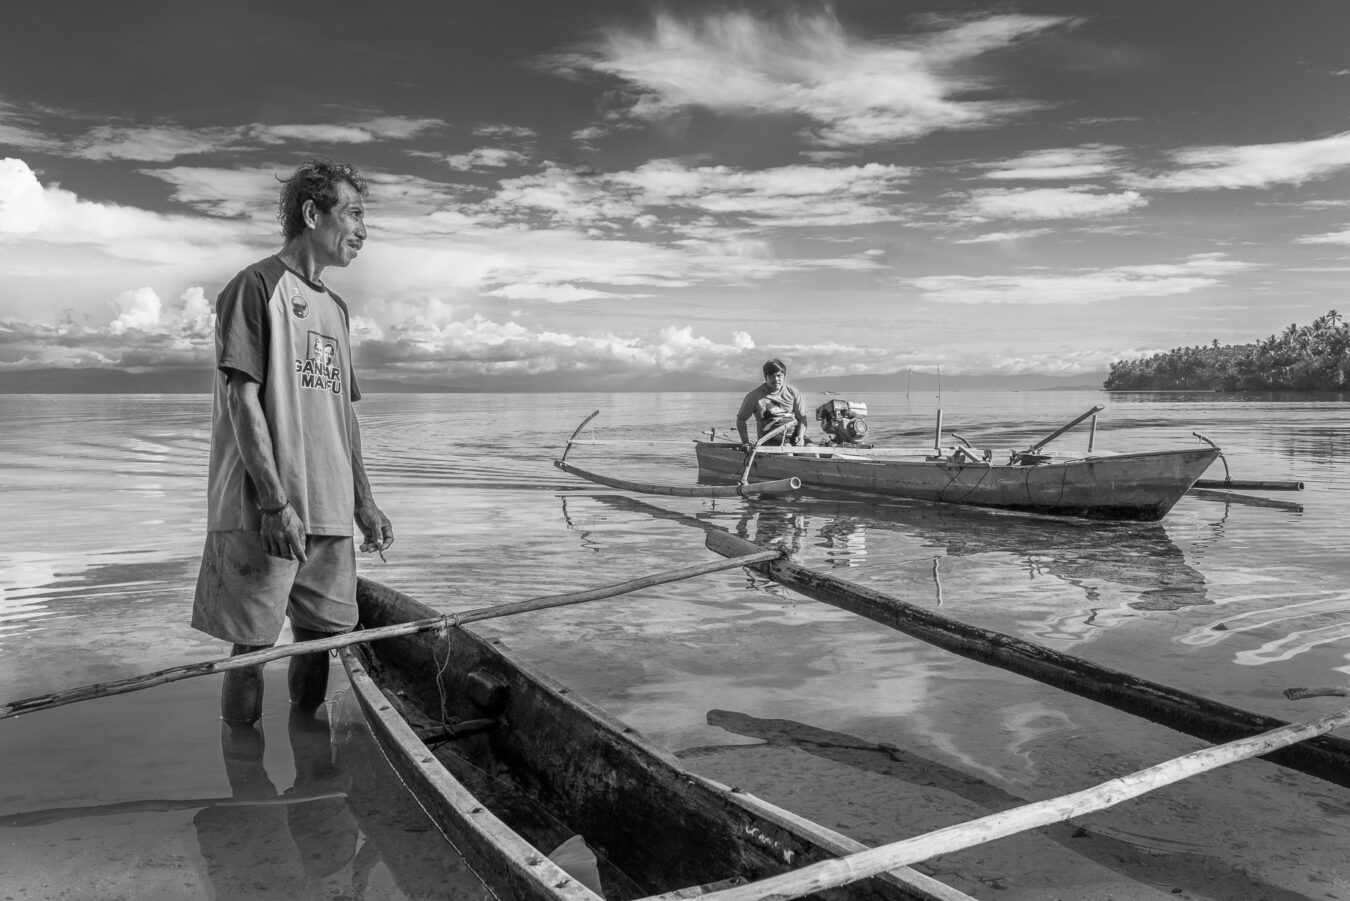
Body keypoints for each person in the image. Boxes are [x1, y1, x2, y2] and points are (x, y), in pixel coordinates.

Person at [192, 158, 394, 726]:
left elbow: (342, 419)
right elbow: (242, 400)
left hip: (327, 512)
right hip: (263, 511)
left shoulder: (336, 308)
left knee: (319, 643)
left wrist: (364, 501)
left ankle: (311, 769)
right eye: (353, 214)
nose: (362, 230)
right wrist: (276, 504)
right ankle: (247, 788)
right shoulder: (254, 287)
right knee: (251, 649)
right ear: (312, 213)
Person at [736, 358, 810, 448]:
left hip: (794, 437)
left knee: (813, 450)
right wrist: (745, 442)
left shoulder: (792, 391)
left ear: (784, 376)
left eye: (779, 376)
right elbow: (741, 419)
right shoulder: (754, 396)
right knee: (788, 451)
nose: (776, 379)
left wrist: (800, 437)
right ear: (765, 377)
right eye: (771, 376)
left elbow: (802, 418)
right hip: (769, 440)